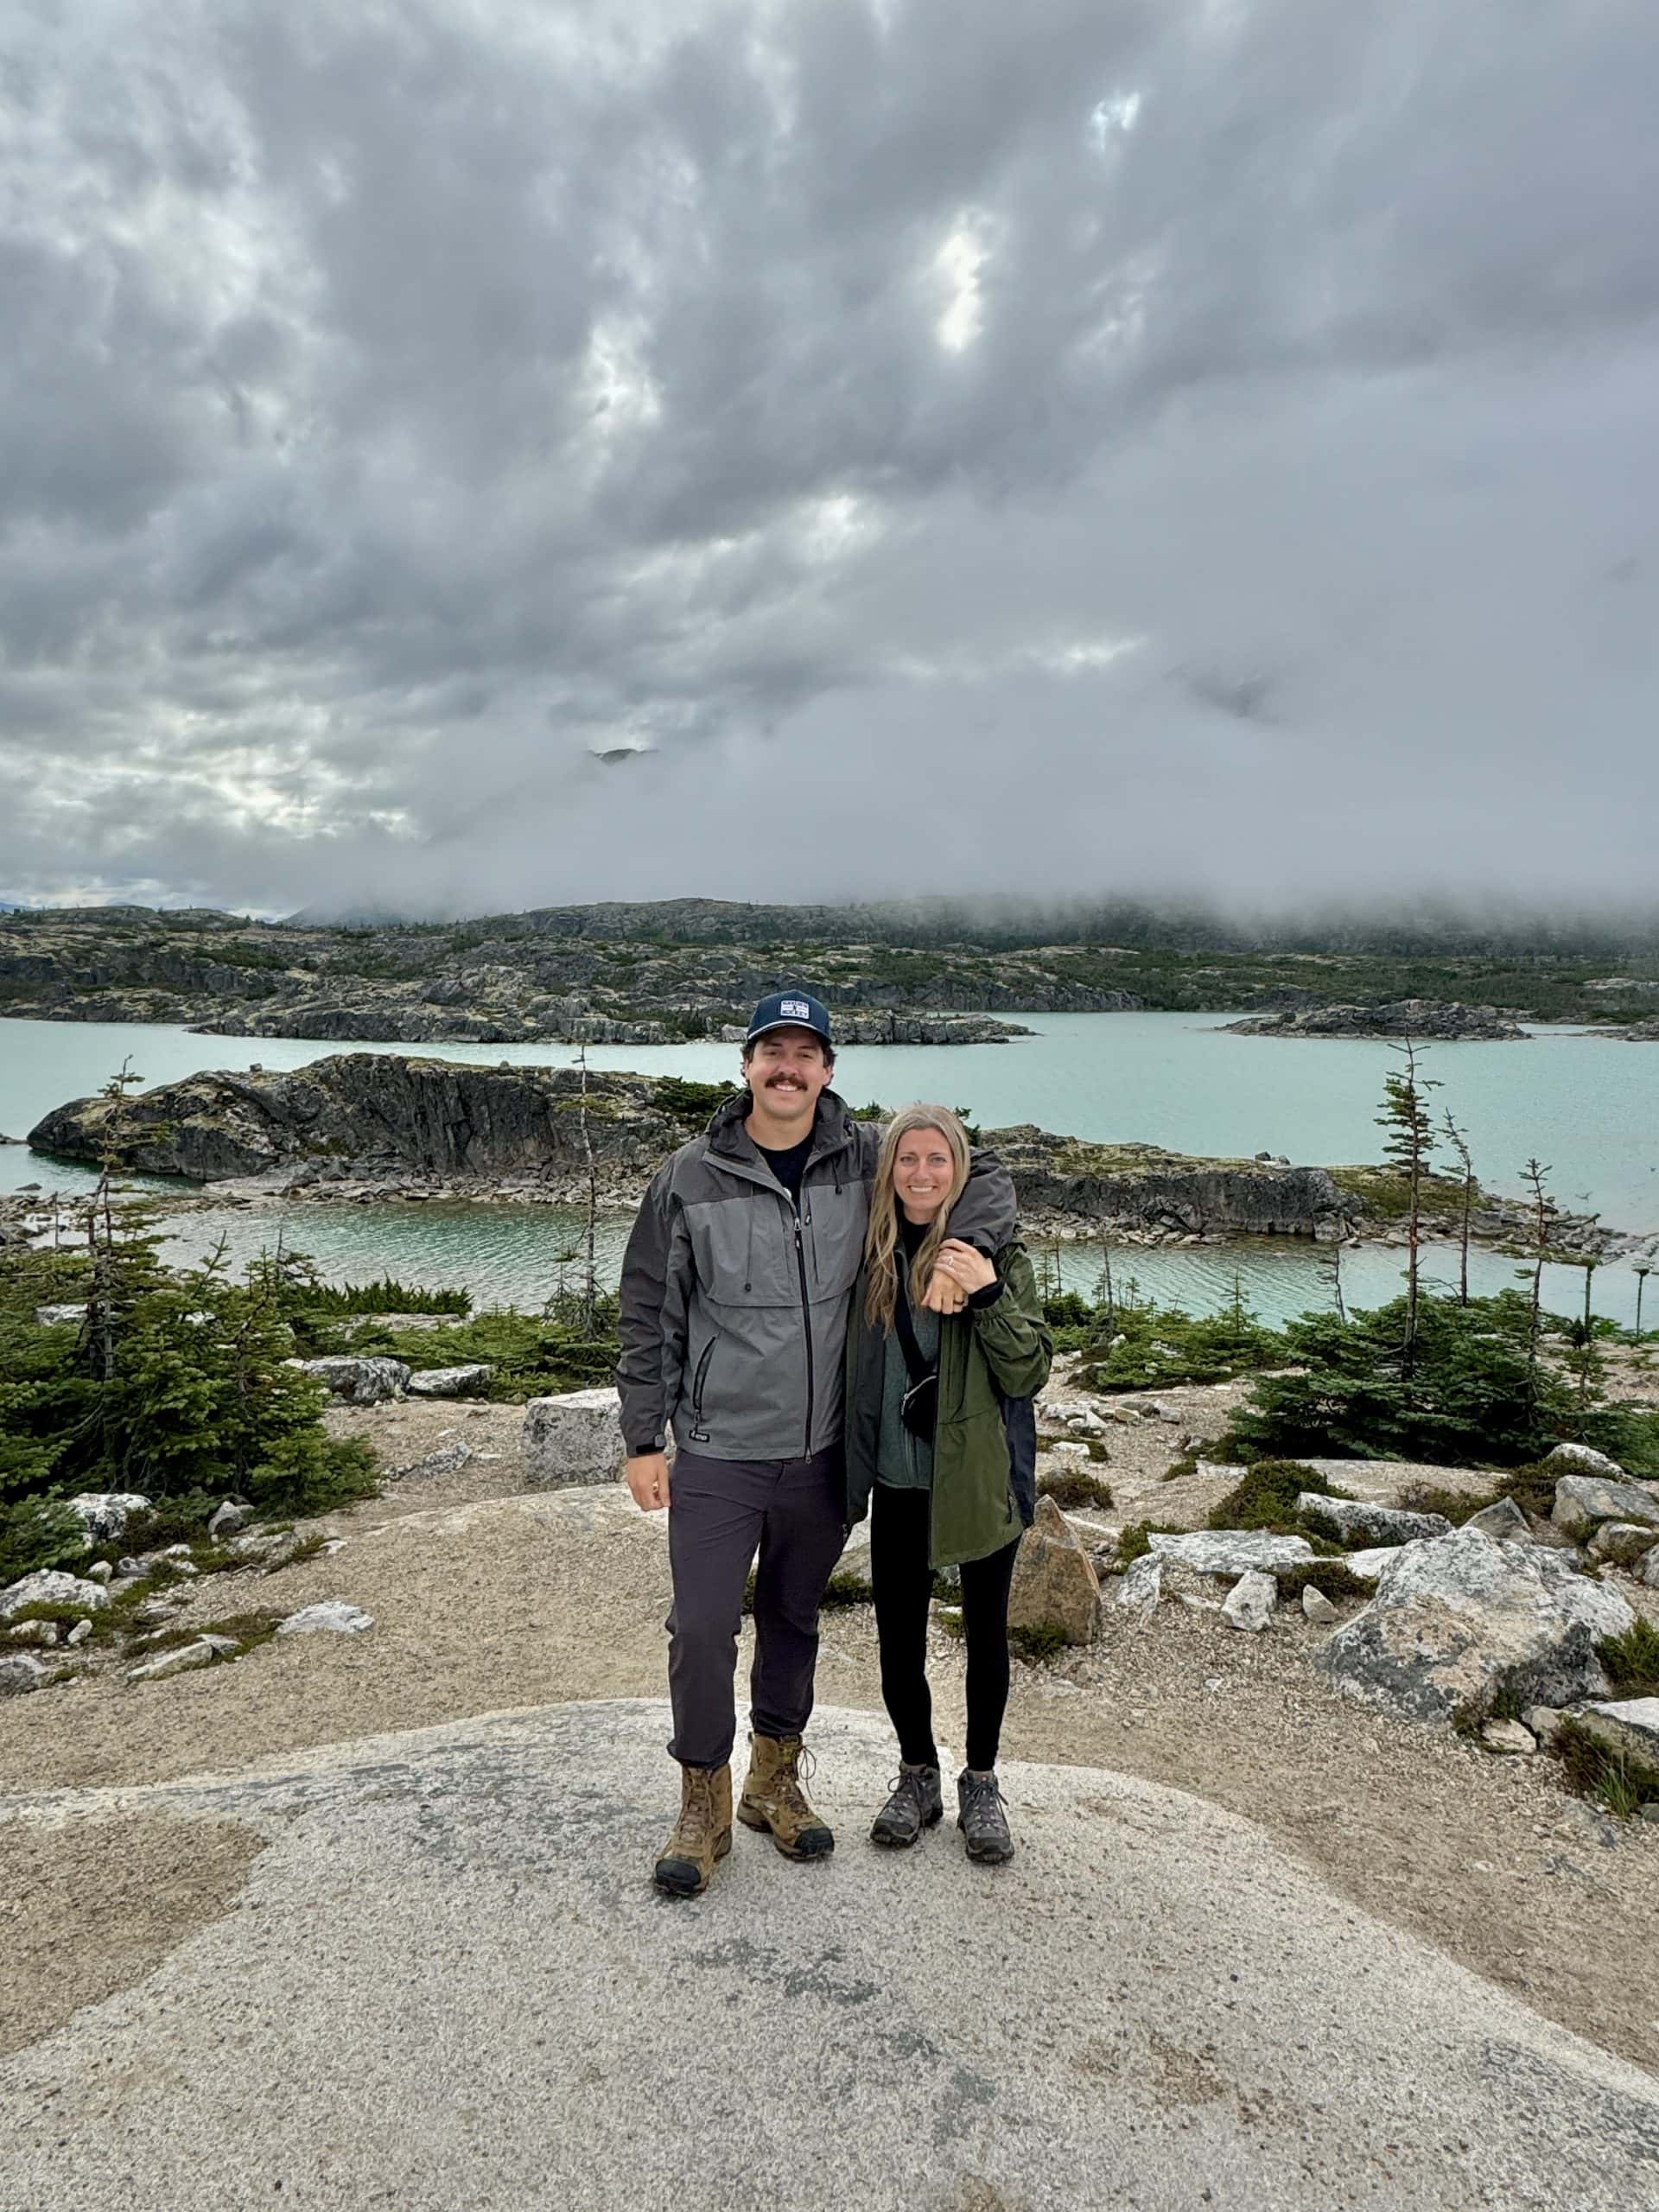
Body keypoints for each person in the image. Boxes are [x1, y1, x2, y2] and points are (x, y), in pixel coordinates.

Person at [616, 992, 1018, 1898]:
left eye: (807, 1053)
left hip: (828, 1453)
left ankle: (773, 1781)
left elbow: (976, 1167)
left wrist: (971, 1251)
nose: (789, 1068)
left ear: (829, 1070)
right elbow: (649, 1311)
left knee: (795, 1620)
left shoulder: (866, 1155)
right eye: (773, 1052)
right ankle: (702, 1798)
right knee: (704, 1627)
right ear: (747, 1066)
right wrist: (645, 1435)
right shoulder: (689, 1175)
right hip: (720, 1449)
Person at [843, 1105, 1052, 1866]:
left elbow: (1029, 1371)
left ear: (959, 1171)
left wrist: (988, 1293)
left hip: (978, 1482)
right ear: (888, 1169)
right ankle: (917, 1774)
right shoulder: (869, 1257)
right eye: (907, 1160)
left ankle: (983, 1783)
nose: (922, 1175)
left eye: (938, 1161)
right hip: (899, 1481)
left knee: (985, 1637)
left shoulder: (996, 1256)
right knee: (898, 1640)